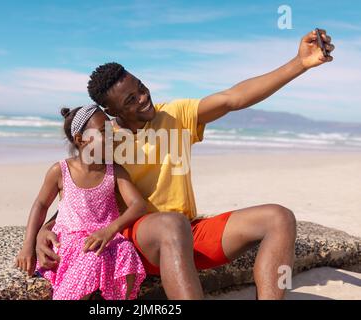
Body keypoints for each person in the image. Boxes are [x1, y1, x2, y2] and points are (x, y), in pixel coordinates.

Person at [35, 30, 335, 299]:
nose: (142, 98)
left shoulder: (175, 116)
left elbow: (233, 98)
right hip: (135, 242)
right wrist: (45, 229)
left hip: (187, 233)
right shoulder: (106, 140)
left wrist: (300, 63)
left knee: (278, 217)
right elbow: (81, 191)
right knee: (170, 223)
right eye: (130, 99)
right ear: (111, 110)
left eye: (140, 87)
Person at [15, 104, 147, 300]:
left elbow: (138, 204)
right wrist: (28, 244)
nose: (112, 136)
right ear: (80, 139)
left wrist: (110, 230)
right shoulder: (61, 170)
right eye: (104, 131)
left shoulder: (114, 171)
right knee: (93, 256)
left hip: (106, 238)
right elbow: (41, 205)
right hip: (72, 239)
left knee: (126, 251)